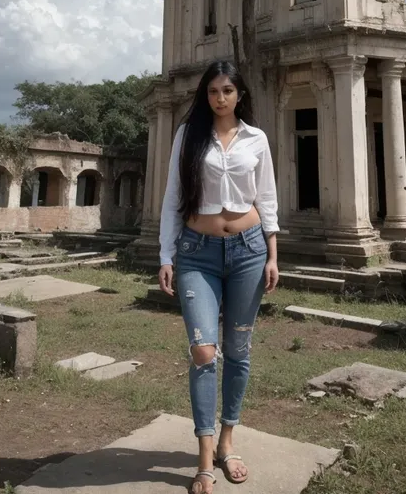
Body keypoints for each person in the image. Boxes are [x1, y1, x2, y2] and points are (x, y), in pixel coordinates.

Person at [158, 60, 280, 494]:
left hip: (249, 251)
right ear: (205, 95)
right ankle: (204, 457)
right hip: (197, 253)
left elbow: (266, 197)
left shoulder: (256, 139)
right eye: (213, 91)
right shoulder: (188, 136)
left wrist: (272, 254)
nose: (220, 98)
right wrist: (165, 254)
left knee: (239, 351)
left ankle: (228, 441)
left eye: (227, 90)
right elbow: (173, 196)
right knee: (204, 352)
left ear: (239, 94)